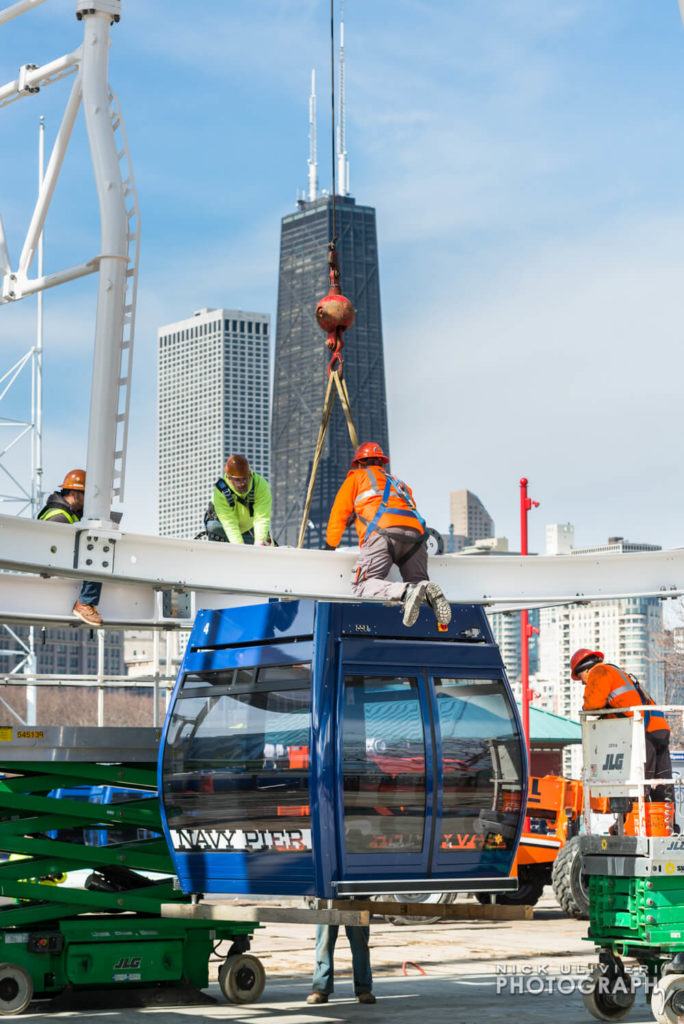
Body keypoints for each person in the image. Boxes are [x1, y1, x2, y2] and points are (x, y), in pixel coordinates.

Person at [325, 441, 451, 629]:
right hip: (416, 537)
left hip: (383, 533)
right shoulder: (399, 483)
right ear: (382, 464)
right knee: (419, 582)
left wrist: (330, 547)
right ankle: (424, 588)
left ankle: (406, 591)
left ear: (359, 463)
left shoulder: (356, 477)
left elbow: (338, 514)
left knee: (362, 585)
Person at [571, 648, 673, 803]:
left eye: (581, 677)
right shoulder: (616, 672)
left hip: (642, 731)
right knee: (662, 782)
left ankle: (633, 823)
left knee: (638, 785)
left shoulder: (599, 672)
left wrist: (586, 709)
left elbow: (592, 704)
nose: (583, 682)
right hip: (658, 727)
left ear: (585, 668)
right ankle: (668, 824)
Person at [37, 469, 103, 627]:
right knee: (98, 552)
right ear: (75, 494)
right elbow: (58, 548)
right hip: (54, 564)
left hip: (58, 561)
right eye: (86, 495)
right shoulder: (58, 516)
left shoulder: (68, 512)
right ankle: (85, 603)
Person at [204, 454, 272, 545]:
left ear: (250, 475)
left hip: (248, 529)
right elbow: (229, 522)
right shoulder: (221, 490)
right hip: (222, 527)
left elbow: (261, 517)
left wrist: (260, 542)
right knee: (214, 527)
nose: (242, 484)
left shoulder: (260, 485)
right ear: (229, 478)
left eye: (244, 479)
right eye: (237, 480)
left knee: (264, 541)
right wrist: (239, 547)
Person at [306, 924, 375, 1005]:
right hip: (327, 911)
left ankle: (363, 989)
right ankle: (321, 988)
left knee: (359, 940)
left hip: (356, 911)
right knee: (324, 939)